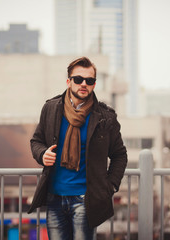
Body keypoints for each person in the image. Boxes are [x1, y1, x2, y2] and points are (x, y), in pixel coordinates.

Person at [28, 56, 128, 240]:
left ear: (94, 84)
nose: (83, 84)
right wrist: (42, 154)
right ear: (69, 82)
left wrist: (110, 186)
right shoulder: (51, 109)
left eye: (89, 80)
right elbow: (36, 141)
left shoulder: (105, 117)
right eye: (78, 79)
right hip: (54, 197)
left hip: (85, 199)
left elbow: (120, 155)